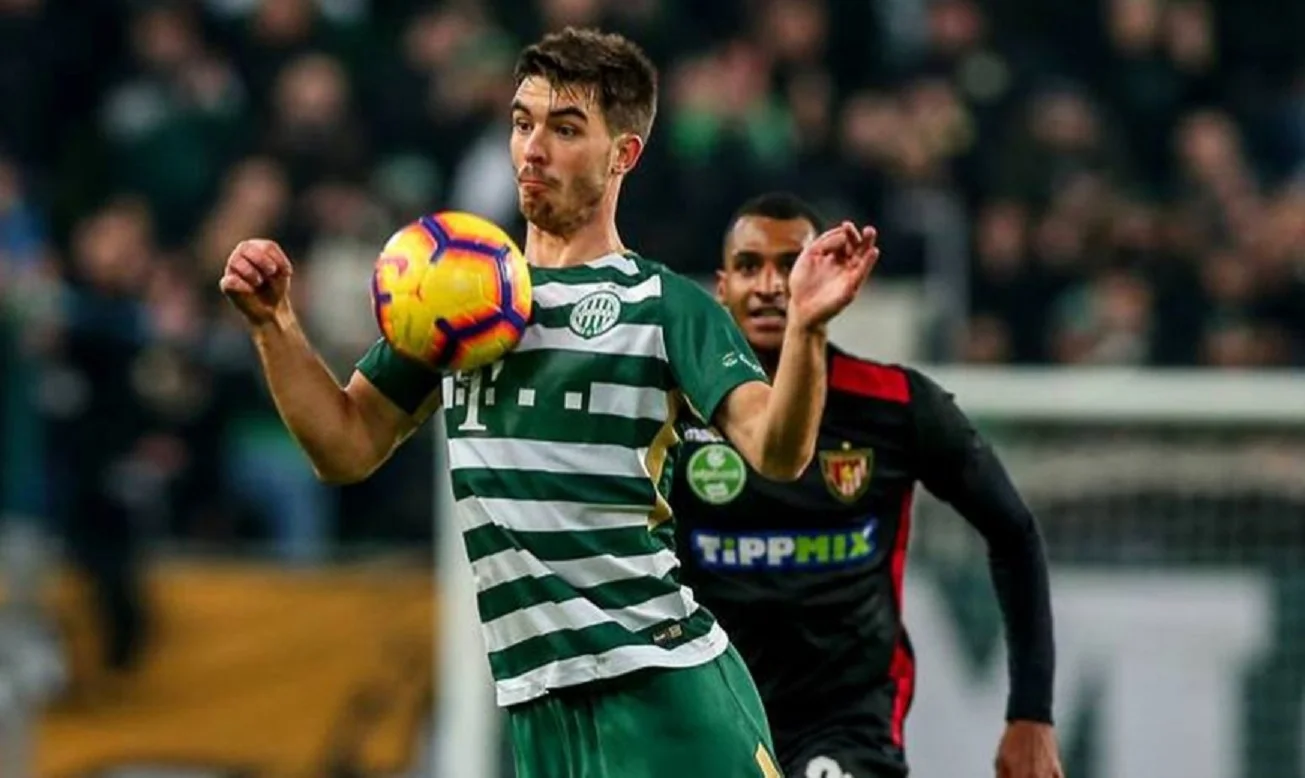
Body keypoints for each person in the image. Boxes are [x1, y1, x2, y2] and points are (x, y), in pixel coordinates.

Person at [217, 28, 878, 778]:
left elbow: (778, 451)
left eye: (565, 129)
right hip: (538, 708)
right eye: (522, 122)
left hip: (661, 695)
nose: (533, 149)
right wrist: (274, 326)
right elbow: (344, 446)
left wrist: (806, 330)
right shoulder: (454, 294)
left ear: (622, 154)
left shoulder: (663, 305)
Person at [668, 192, 1064, 778]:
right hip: (709, 715)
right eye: (750, 266)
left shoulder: (896, 407)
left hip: (846, 725)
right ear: (722, 287)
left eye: (792, 264)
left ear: (832, 277)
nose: (771, 286)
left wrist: (1031, 712)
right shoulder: (673, 413)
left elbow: (1014, 532)